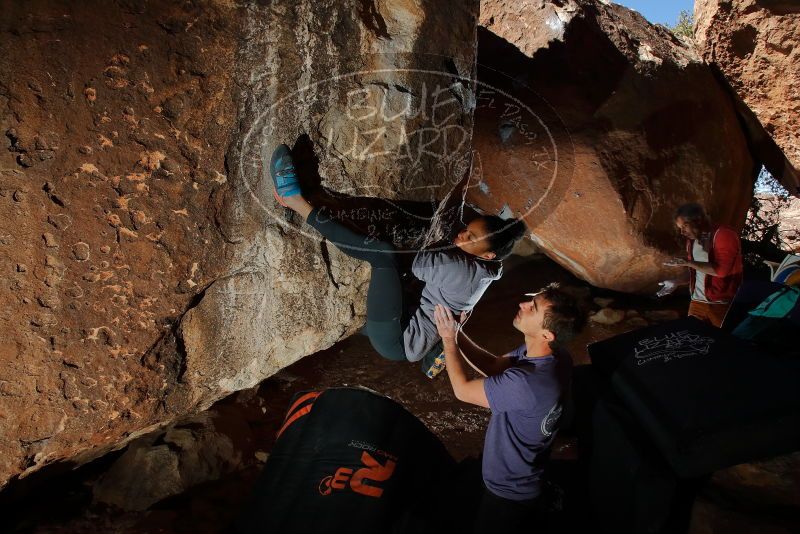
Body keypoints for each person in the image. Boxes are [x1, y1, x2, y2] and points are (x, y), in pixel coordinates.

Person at [269, 143, 526, 367]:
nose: (462, 236)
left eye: (470, 238)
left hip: (397, 340)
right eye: (467, 230)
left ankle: (294, 200)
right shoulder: (487, 269)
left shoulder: (458, 268)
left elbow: (410, 259)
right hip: (406, 314)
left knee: (383, 253)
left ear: (489, 255)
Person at [432, 284, 585, 533]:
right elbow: (494, 365)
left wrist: (448, 340)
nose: (522, 305)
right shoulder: (555, 356)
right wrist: (458, 332)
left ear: (547, 335)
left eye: (532, 307)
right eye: (530, 300)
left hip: (508, 491)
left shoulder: (527, 383)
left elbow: (462, 390)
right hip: (528, 474)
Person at [657, 203, 743, 327]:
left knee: (719, 343)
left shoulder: (724, 234)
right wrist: (677, 281)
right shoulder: (692, 241)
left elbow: (721, 271)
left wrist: (688, 262)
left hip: (721, 304)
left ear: (698, 220)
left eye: (685, 226)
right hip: (697, 302)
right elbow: (697, 269)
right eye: (680, 228)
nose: (682, 232)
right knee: (693, 342)